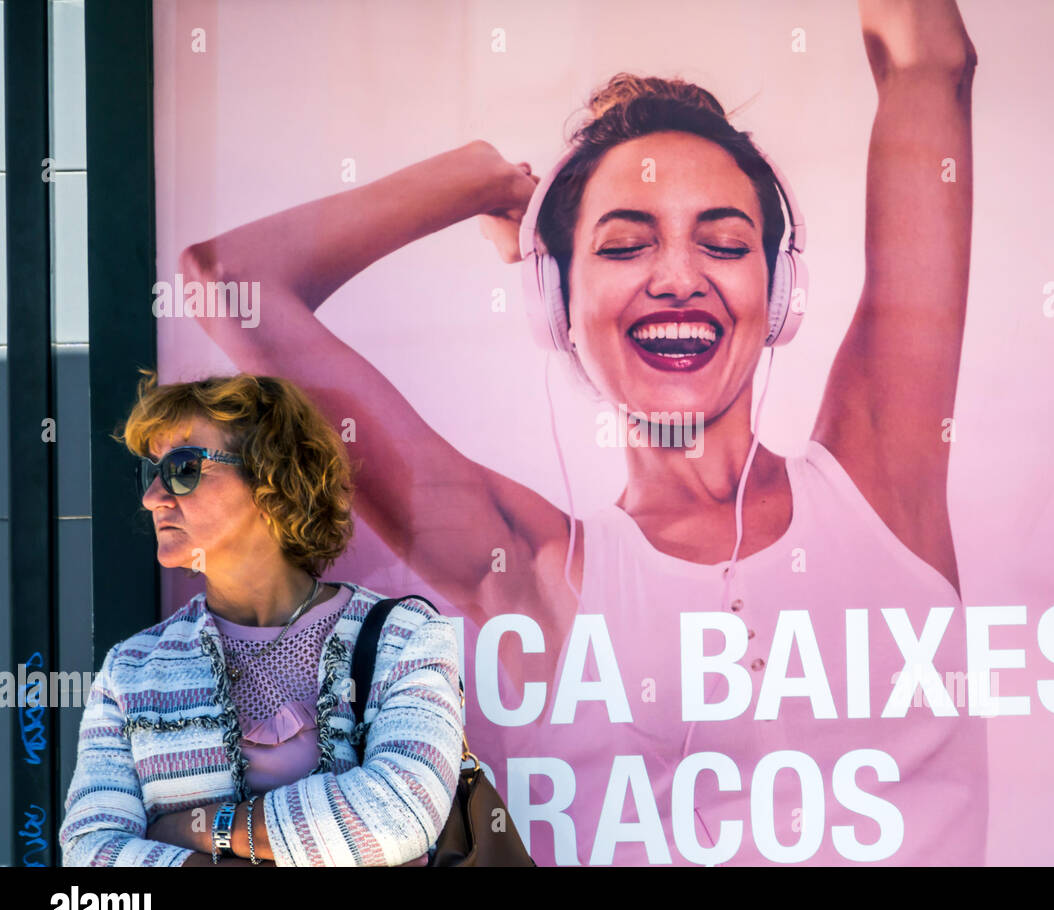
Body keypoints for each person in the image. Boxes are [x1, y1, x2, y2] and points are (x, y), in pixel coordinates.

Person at [183, 0, 982, 864]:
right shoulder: (531, 567)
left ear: (777, 292)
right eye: (625, 245)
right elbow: (235, 282)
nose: (679, 277)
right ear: (554, 305)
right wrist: (480, 179)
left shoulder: (877, 484)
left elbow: (928, 62)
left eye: (723, 242)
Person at [59, 372, 462, 866]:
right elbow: (90, 852)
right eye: (151, 472)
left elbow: (400, 813)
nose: (153, 497)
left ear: (271, 479)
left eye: (183, 467)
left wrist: (204, 829)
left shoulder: (404, 639)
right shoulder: (132, 669)